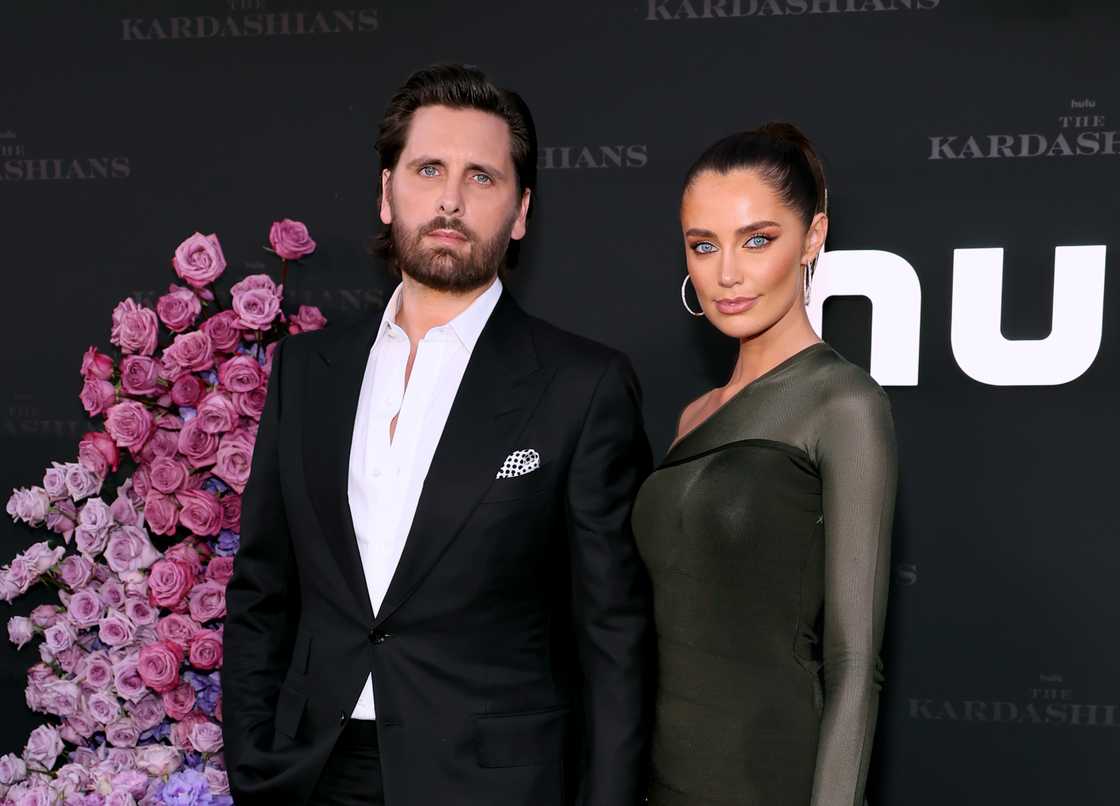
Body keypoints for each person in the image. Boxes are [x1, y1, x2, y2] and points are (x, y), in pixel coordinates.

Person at [222, 64, 653, 806]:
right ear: (386, 194)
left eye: (482, 177)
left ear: (520, 213)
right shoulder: (307, 370)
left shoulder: (582, 387)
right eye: (428, 169)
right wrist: (254, 758)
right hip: (310, 771)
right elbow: (263, 588)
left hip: (491, 784)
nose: (451, 198)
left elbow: (613, 640)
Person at [633, 123, 897, 806]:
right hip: (658, 779)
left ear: (812, 238)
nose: (726, 273)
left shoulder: (843, 403)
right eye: (703, 245)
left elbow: (852, 663)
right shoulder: (692, 415)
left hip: (770, 780)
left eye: (757, 240)